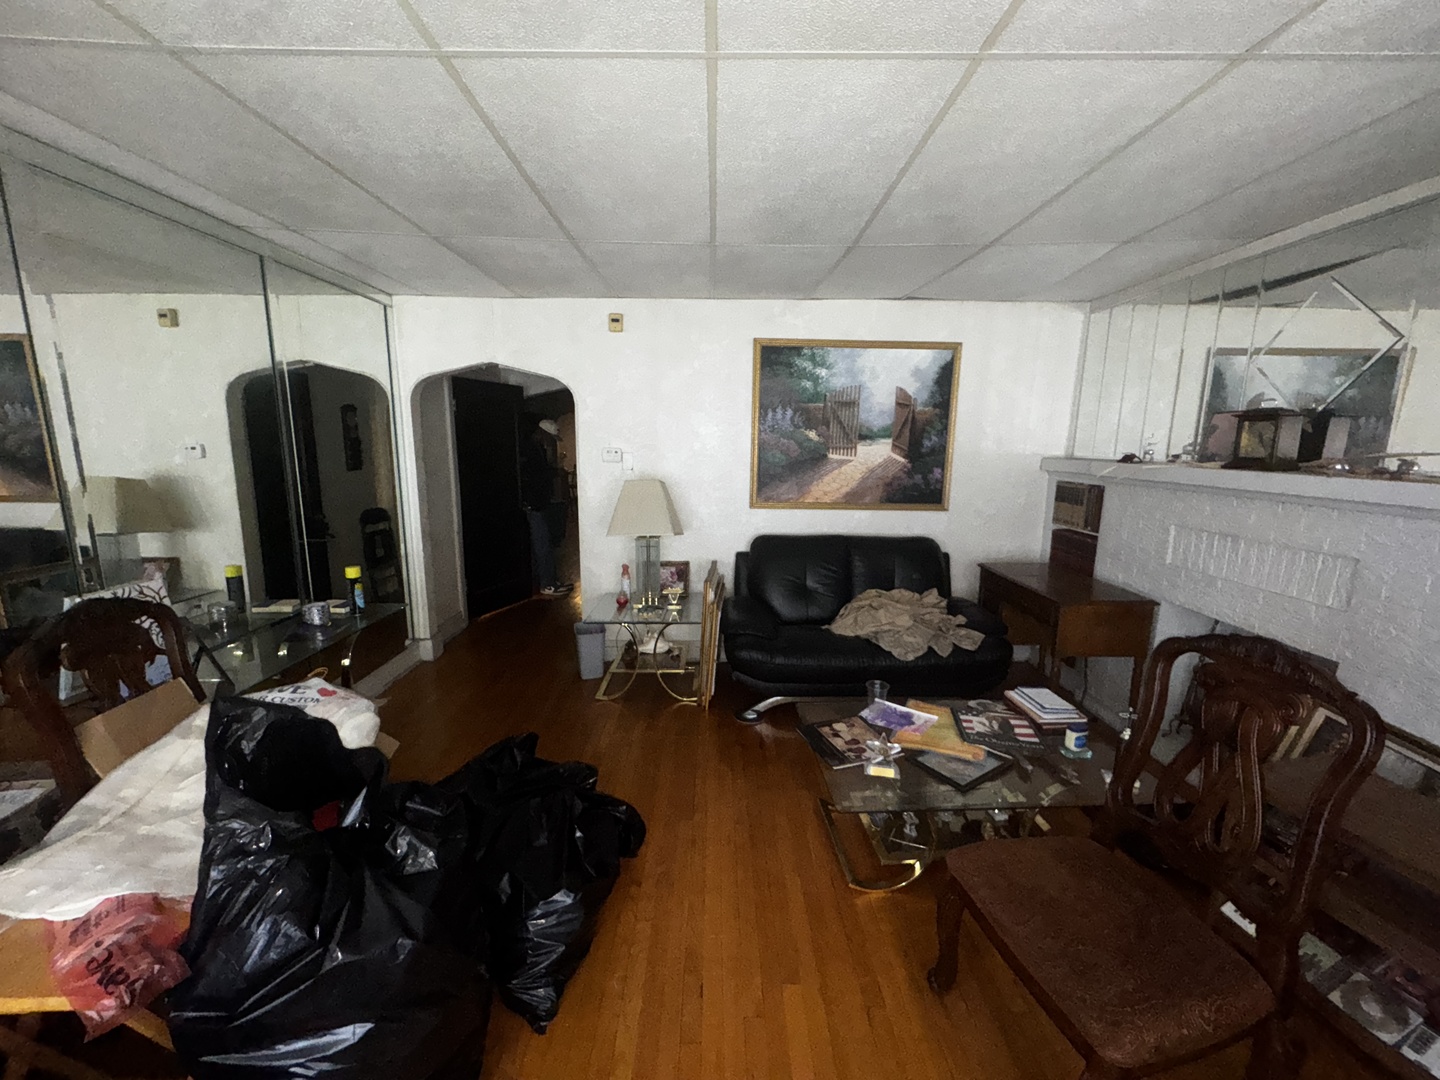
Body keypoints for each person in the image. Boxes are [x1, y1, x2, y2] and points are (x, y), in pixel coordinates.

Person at [520, 418, 572, 597]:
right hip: (535, 505)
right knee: (542, 544)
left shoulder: (537, 449)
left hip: (540, 503)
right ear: (542, 433)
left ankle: (550, 580)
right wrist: (553, 472)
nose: (551, 442)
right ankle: (547, 583)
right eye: (550, 437)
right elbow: (536, 476)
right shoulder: (530, 450)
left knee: (545, 543)